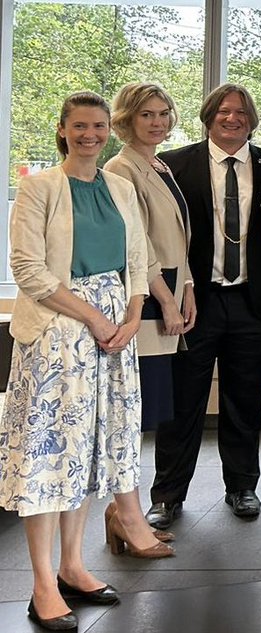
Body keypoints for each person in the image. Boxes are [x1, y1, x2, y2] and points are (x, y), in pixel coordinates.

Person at [0, 91, 155, 630]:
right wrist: (93, 317)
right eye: (80, 126)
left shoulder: (119, 186)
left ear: (110, 130)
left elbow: (138, 258)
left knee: (88, 450)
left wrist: (133, 315)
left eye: (98, 126)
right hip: (58, 331)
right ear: (63, 130)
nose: (90, 135)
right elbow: (27, 268)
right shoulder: (38, 187)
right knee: (50, 454)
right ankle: (42, 584)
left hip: (115, 331)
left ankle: (72, 565)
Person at [149, 84, 261, 527]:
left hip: (254, 304)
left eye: (241, 112)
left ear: (251, 119)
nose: (232, 118)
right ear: (208, 116)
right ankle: (167, 495)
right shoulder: (172, 166)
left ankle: (242, 487)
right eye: (224, 111)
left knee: (245, 400)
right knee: (182, 402)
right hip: (193, 303)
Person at [105, 82, 193, 433]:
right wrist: (169, 302)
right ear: (127, 119)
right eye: (146, 114)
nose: (157, 122)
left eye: (163, 114)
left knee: (152, 412)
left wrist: (187, 286)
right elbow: (136, 244)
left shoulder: (158, 165)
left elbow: (176, 237)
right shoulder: (121, 168)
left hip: (169, 289)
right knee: (135, 417)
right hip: (147, 302)